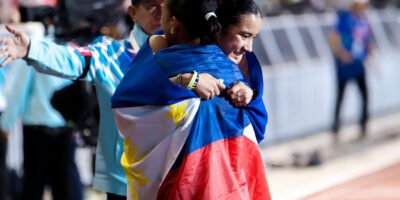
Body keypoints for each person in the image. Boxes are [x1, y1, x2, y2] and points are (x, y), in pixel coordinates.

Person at [0, 0, 225, 199]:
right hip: (124, 182)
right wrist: (31, 49)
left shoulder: (195, 55)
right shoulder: (111, 54)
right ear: (133, 12)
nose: (161, 12)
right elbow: (73, 59)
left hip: (177, 179)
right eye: (152, 6)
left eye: (166, 6)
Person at [111, 0, 270, 199]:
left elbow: (125, 103)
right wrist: (188, 81)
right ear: (218, 28)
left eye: (252, 37)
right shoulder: (165, 51)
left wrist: (252, 97)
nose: (249, 47)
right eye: (244, 35)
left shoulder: (243, 67)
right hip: (210, 186)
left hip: (208, 184)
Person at [0, 60, 82, 200]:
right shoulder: (70, 46)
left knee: (34, 187)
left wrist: (6, 124)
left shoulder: (33, 48)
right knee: (65, 187)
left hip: (38, 131)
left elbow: (19, 89)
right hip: (65, 128)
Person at [328, 0, 371, 141]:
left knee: (365, 95)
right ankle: (336, 129)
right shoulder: (345, 19)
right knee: (341, 97)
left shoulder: (364, 21)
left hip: (359, 64)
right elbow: (333, 38)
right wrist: (341, 54)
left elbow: (366, 41)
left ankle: (363, 126)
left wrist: (371, 55)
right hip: (345, 65)